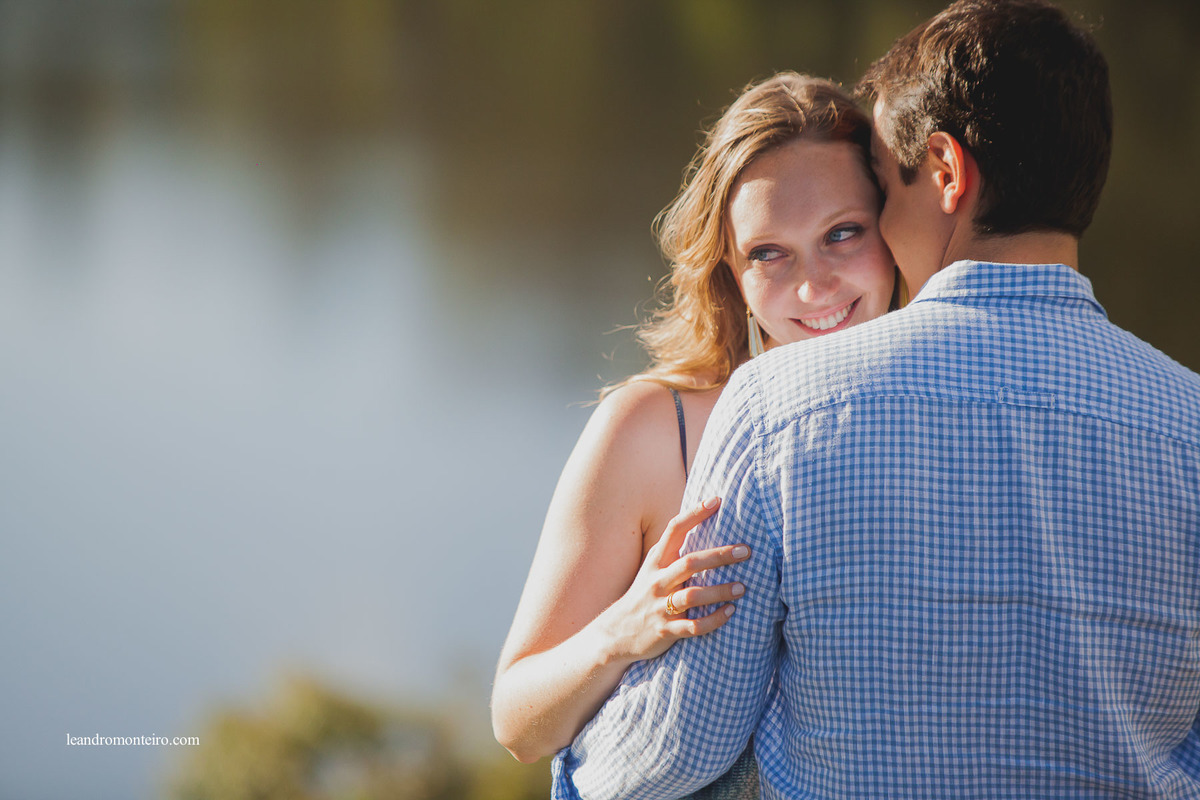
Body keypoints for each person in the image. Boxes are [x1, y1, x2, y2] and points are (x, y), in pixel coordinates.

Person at [553, 1, 1200, 798]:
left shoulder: (775, 411)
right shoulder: (1189, 425)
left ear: (947, 173)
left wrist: (578, 769)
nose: (881, 221)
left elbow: (680, 748)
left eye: (886, 186)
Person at [490, 72, 898, 795]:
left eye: (842, 233)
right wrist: (626, 628)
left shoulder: (941, 421)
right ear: (729, 272)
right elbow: (519, 724)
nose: (814, 285)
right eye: (769, 253)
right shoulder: (652, 429)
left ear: (893, 230)